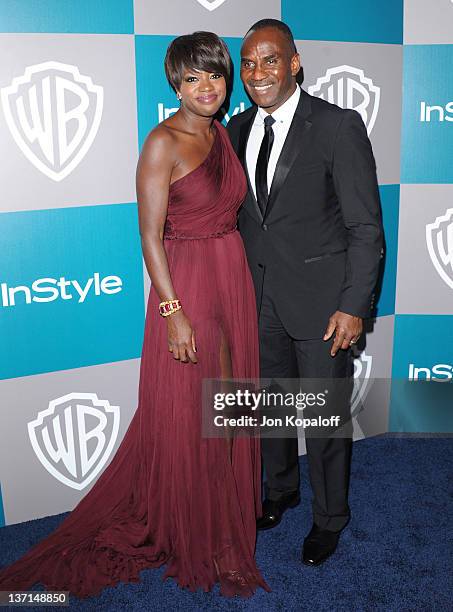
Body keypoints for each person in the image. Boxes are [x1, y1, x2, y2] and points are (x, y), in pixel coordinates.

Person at [0, 32, 269, 598]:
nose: (206, 87)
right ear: (175, 83)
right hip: (188, 285)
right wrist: (174, 313)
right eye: (192, 78)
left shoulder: (222, 135)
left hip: (231, 279)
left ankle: (222, 525)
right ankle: (194, 529)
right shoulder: (162, 143)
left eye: (215, 76)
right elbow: (149, 237)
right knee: (192, 410)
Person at [227, 19, 383, 566]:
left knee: (323, 421)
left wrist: (353, 305)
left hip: (322, 305)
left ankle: (329, 518)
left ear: (294, 63)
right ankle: (280, 490)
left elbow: (366, 228)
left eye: (269, 60)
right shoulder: (236, 129)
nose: (257, 73)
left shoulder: (338, 125)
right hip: (258, 298)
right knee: (269, 410)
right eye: (247, 63)